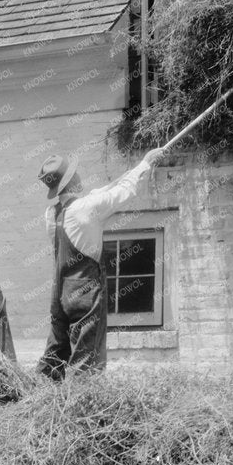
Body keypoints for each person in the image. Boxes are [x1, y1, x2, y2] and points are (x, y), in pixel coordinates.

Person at [37, 148, 166, 380]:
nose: (79, 176)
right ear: (71, 181)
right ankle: (79, 403)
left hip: (60, 294)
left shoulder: (51, 214)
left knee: (57, 352)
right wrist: (145, 164)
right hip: (85, 292)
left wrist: (133, 169)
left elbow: (100, 192)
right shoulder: (87, 208)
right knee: (87, 357)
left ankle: (43, 392)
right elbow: (123, 192)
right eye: (75, 174)